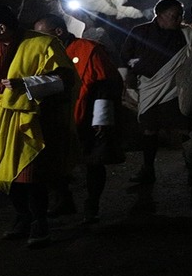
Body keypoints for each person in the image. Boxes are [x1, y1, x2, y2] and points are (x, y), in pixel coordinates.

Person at [0, 4, 79, 248]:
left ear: (1, 27)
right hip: (2, 121)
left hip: (31, 121)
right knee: (7, 173)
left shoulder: (42, 44)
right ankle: (22, 217)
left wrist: (26, 84)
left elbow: (64, 79)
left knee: (30, 174)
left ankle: (39, 222)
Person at [33, 13, 125, 224]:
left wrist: (102, 118)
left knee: (92, 162)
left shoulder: (89, 49)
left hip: (86, 117)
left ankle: (92, 204)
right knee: (54, 162)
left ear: (58, 32)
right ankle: (63, 200)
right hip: (56, 120)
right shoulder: (43, 53)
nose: (37, 39)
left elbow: (107, 84)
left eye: (41, 34)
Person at [119, 0, 192, 186]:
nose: (178, 20)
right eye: (174, 16)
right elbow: (126, 58)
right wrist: (128, 83)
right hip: (148, 88)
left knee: (184, 127)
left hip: (176, 90)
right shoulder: (140, 32)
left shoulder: (186, 34)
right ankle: (147, 169)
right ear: (159, 15)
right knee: (149, 129)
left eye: (180, 16)